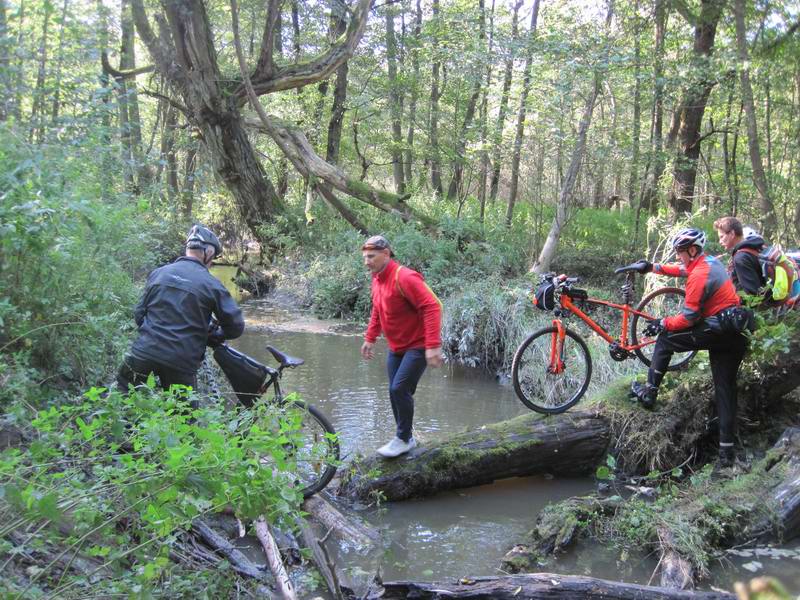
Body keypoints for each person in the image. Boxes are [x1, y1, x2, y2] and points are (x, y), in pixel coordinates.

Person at [629, 228, 750, 469]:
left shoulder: (699, 275)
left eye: (680, 252)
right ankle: (727, 453)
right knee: (725, 388)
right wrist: (653, 267)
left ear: (692, 250)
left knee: (665, 340)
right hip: (735, 332)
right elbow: (683, 269)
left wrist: (662, 323)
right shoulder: (709, 262)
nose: (677, 256)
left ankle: (650, 393)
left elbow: (689, 318)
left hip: (717, 330)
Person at [117, 224, 245, 394]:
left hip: (143, 351)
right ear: (208, 253)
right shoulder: (212, 284)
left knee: (123, 401)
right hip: (181, 361)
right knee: (183, 416)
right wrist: (214, 336)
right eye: (214, 258)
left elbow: (139, 314)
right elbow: (236, 326)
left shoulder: (158, 273)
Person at [360, 235, 444, 458]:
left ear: (386, 254)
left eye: (371, 256)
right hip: (396, 347)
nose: (366, 261)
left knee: (399, 389)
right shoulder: (377, 279)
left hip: (418, 345)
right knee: (394, 391)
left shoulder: (404, 277)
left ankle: (403, 438)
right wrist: (370, 338)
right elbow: (378, 311)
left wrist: (433, 345)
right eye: (364, 257)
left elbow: (432, 307)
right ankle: (406, 437)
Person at [713, 216, 766, 296]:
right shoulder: (755, 248)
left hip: (754, 306)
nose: (720, 241)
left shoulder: (741, 258)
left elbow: (751, 294)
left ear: (732, 234)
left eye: (721, 237)